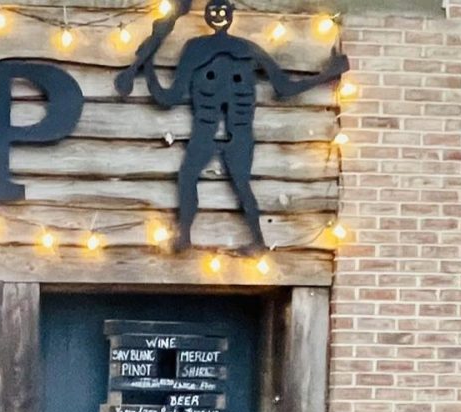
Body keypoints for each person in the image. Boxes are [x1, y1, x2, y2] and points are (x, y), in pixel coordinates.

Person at [116, 0, 350, 252]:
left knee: (231, 182)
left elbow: (284, 87)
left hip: (234, 128)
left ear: (231, 15)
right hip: (210, 128)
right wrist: (148, 66)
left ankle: (252, 241)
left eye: (223, 11)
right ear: (207, 16)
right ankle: (186, 235)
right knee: (195, 178)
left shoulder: (229, 49)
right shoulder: (209, 49)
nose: (218, 16)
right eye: (213, 11)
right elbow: (168, 98)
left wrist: (327, 74)